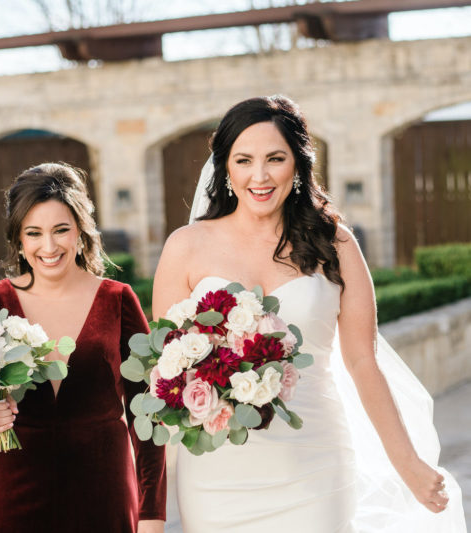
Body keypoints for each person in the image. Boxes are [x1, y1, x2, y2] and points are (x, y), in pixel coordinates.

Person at [152, 96, 466, 532]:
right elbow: (166, 377)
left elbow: (362, 361)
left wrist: (408, 464)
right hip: (215, 475)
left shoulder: (335, 244)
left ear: (297, 165)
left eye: (275, 159)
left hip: (315, 464)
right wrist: (150, 502)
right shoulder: (185, 247)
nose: (259, 176)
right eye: (244, 160)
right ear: (226, 168)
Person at [0, 162, 166, 533]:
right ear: (18, 239)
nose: (49, 246)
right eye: (34, 233)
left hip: (103, 494)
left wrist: (152, 514)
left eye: (61, 230)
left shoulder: (118, 300)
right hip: (12, 495)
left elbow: (148, 416)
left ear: (80, 230)